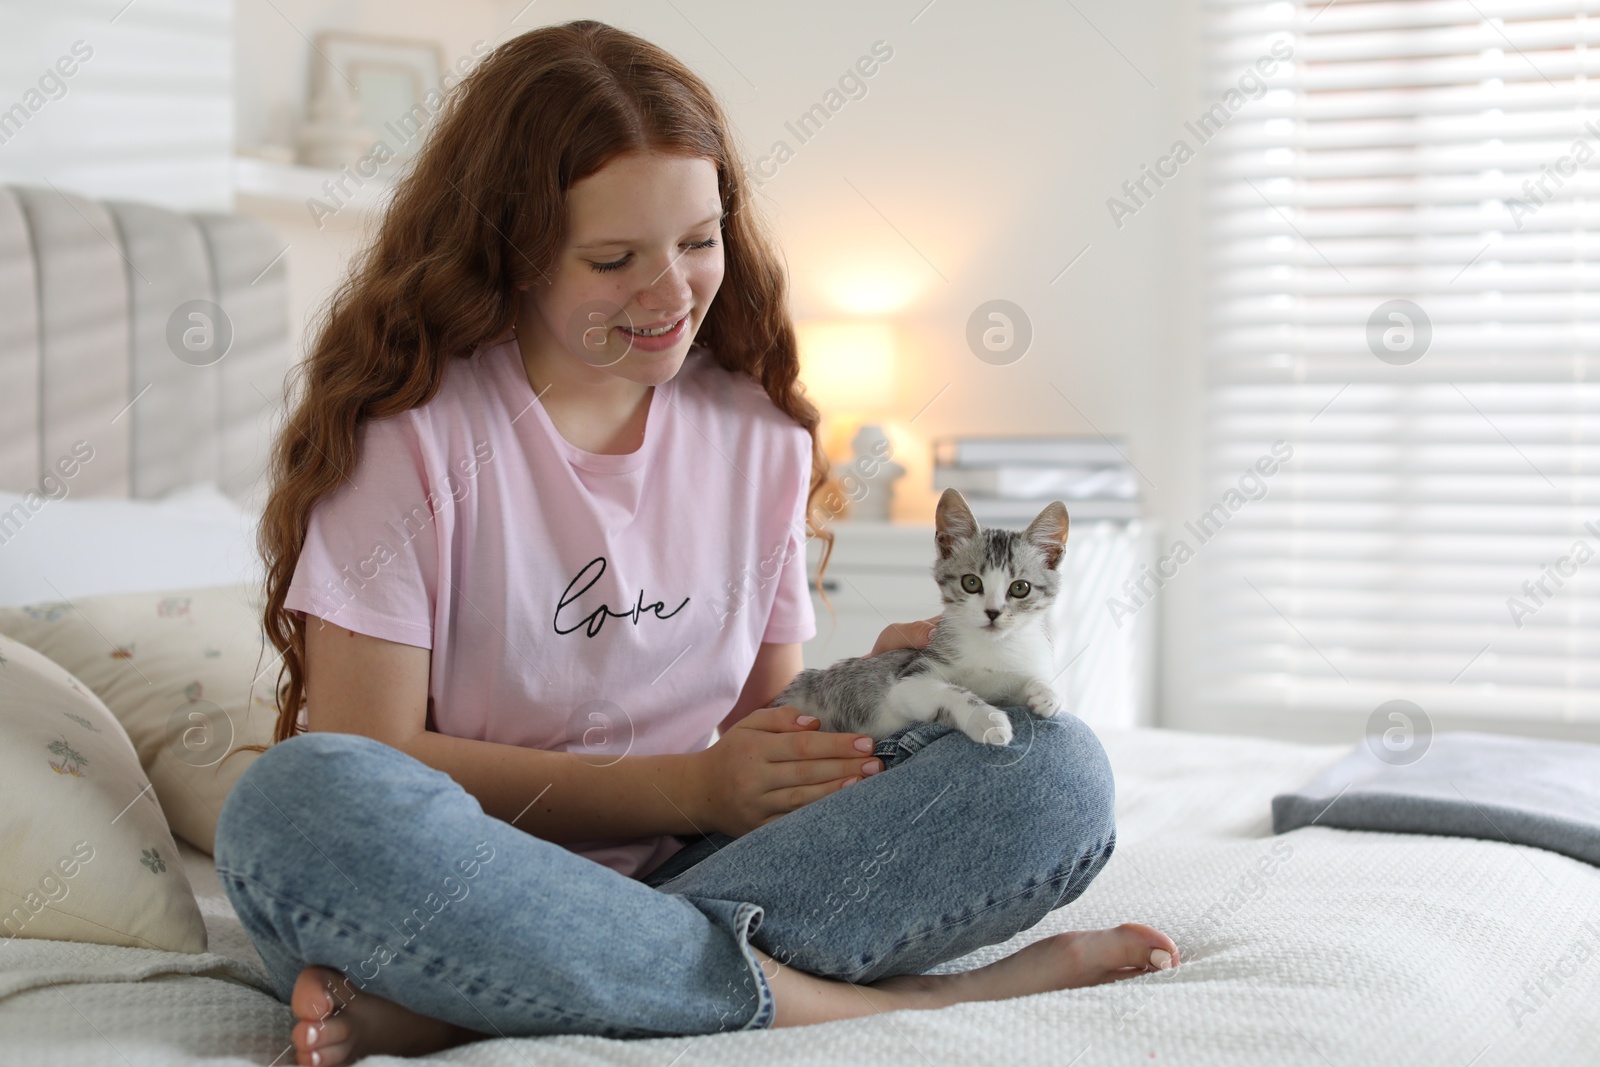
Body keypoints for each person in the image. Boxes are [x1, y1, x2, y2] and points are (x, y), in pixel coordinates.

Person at [214, 19, 1178, 1066]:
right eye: (615, 258)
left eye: (698, 240)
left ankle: (473, 1003)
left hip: (709, 865)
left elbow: (760, 721)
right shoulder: (410, 434)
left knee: (1052, 768)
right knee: (301, 800)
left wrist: (875, 685)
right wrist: (685, 784)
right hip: (462, 880)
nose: (672, 294)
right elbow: (375, 751)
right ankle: (881, 1007)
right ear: (514, 249)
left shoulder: (759, 433)